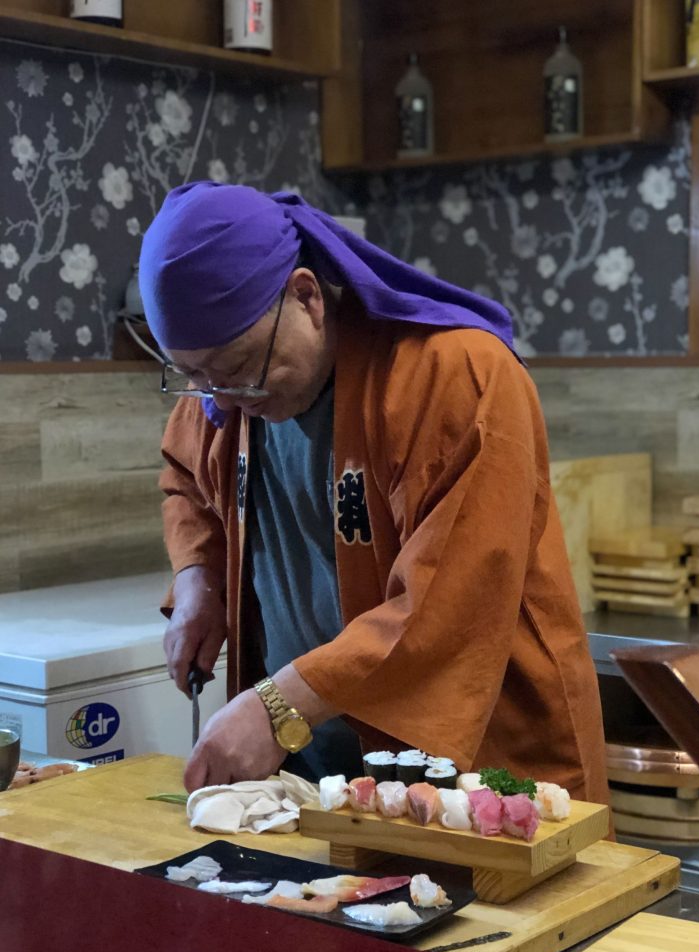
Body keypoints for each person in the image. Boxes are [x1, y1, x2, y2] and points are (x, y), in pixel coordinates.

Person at [138, 181, 609, 803]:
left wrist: (279, 705)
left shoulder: (454, 376)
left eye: (235, 369)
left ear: (305, 296)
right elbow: (188, 481)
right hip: (315, 773)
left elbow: (445, 601)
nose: (219, 400)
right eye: (192, 376)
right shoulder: (223, 394)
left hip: (478, 767)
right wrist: (200, 580)